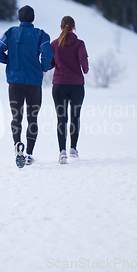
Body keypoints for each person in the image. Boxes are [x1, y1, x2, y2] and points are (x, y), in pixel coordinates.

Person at [0, 5, 53, 168]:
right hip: (34, 82)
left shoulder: (10, 32)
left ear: (19, 18)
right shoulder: (41, 34)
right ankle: (29, 154)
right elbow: (47, 54)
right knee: (32, 118)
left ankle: (17, 144)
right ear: (33, 19)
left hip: (15, 82)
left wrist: (10, 62)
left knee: (16, 117)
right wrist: (43, 68)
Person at [50, 16, 89, 164]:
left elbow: (50, 63)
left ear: (61, 28)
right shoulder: (79, 43)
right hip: (76, 86)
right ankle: (73, 148)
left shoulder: (55, 44)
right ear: (74, 28)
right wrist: (85, 69)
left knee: (61, 118)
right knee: (75, 117)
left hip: (59, 85)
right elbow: (83, 59)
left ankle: (62, 152)